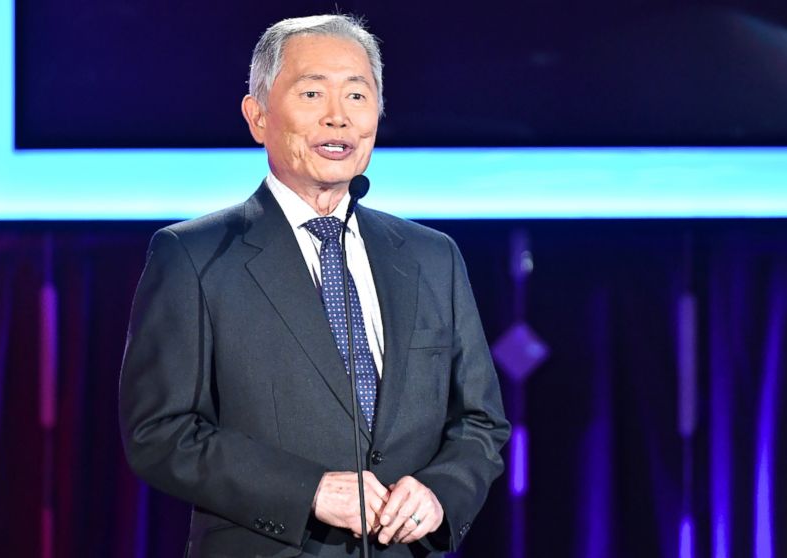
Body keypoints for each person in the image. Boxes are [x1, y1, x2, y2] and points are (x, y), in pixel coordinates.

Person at [119, 14, 509, 557]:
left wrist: (442, 492)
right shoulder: (194, 256)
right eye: (311, 93)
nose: (338, 118)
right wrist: (310, 492)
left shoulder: (431, 256)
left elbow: (480, 422)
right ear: (257, 117)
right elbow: (160, 433)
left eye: (357, 95)